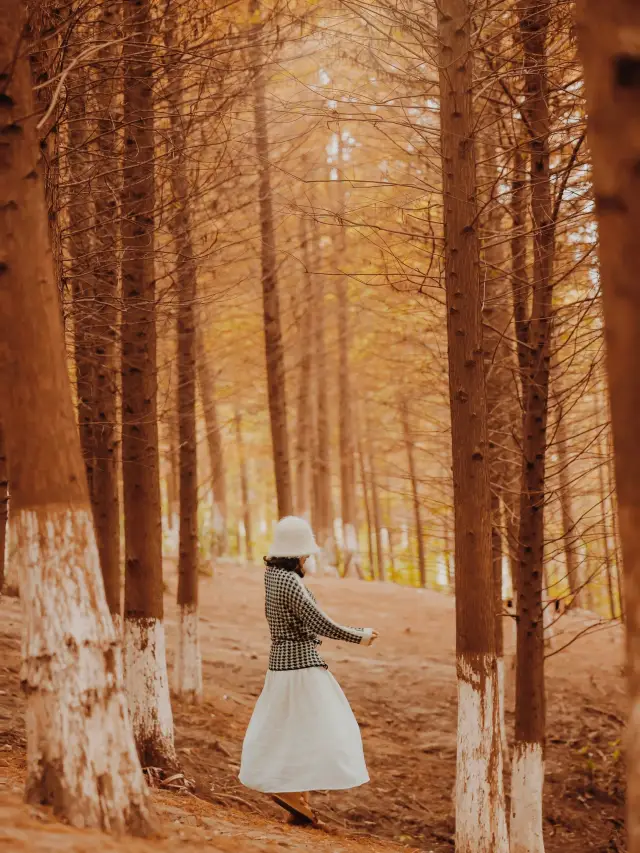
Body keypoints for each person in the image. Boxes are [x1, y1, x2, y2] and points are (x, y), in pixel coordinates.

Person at [239, 515, 378, 825]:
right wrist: (360, 635)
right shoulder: (289, 581)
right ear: (296, 552)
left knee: (294, 728)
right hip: (300, 666)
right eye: (305, 552)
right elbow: (319, 622)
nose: (307, 558)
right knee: (330, 727)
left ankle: (298, 797)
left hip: (282, 665)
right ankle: (291, 792)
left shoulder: (272, 575)